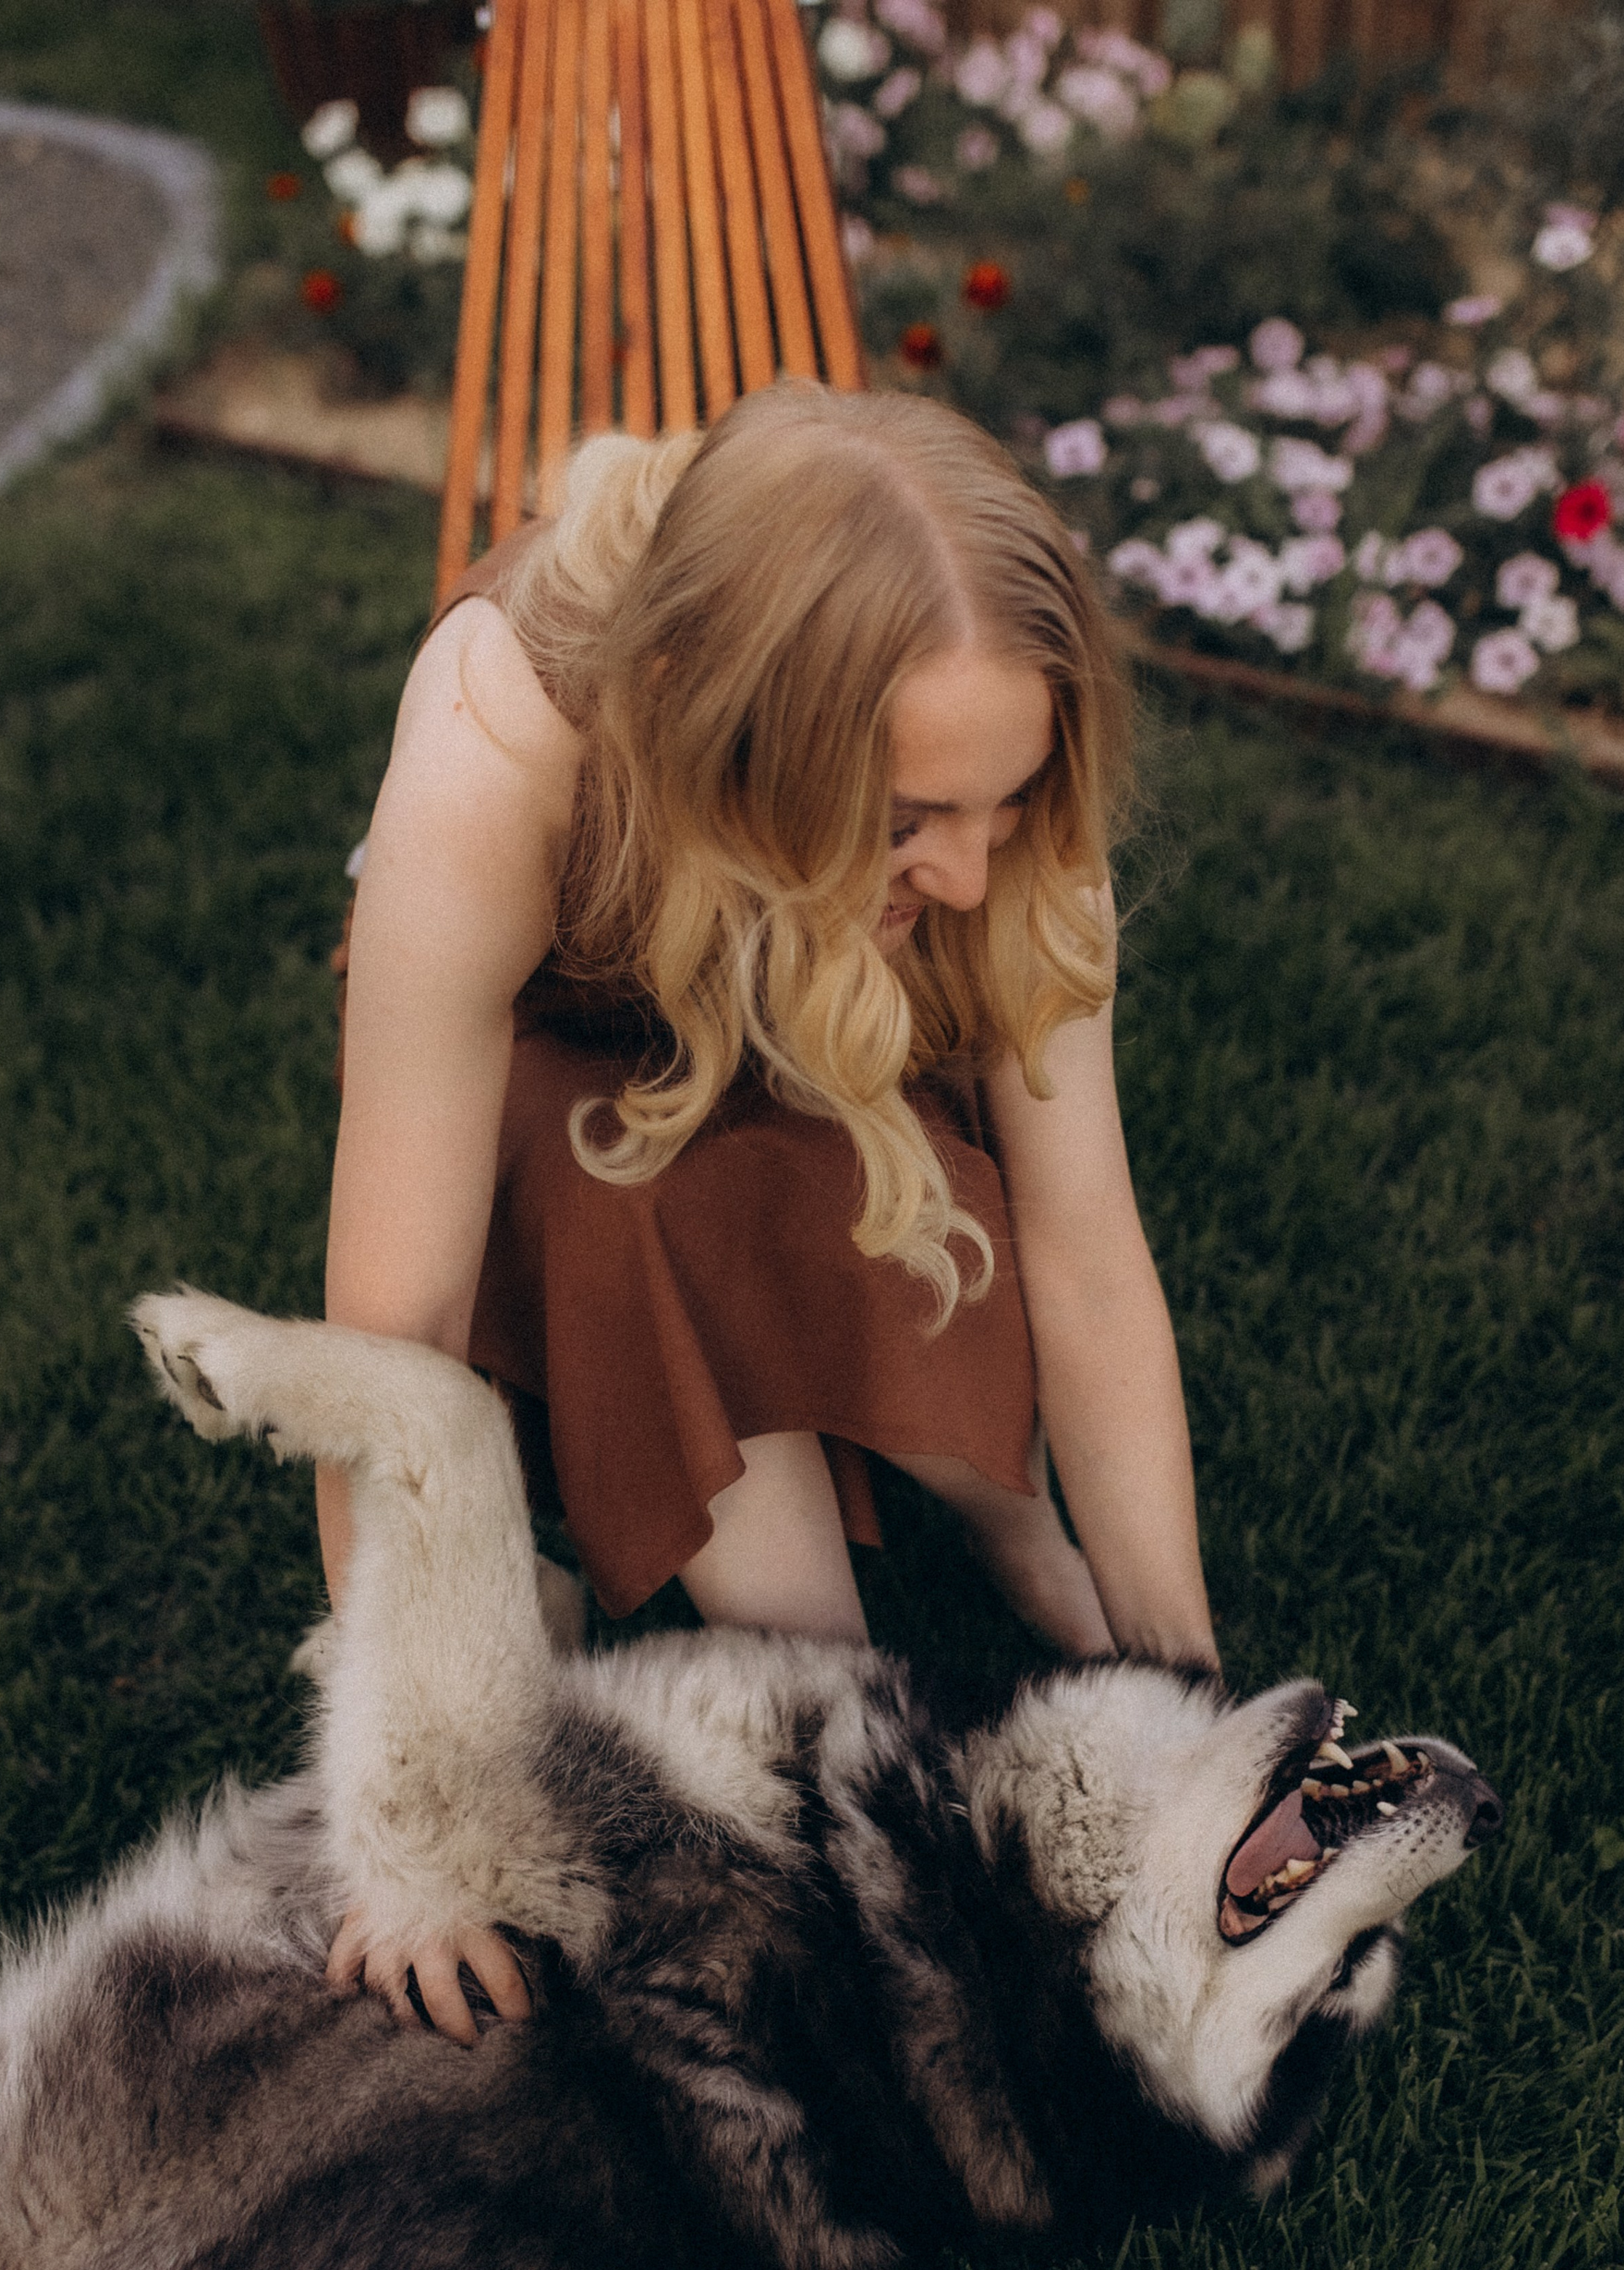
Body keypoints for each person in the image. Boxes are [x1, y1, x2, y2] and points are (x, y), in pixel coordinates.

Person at [321, 381, 1216, 2038]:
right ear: (736, 746)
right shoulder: (496, 745)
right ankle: (842, 1706)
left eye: (1006, 802)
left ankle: (1004, 1529)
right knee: (621, 1195)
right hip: (569, 1065)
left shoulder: (988, 801)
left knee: (850, 1143)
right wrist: (415, 1812)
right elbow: (392, 1340)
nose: (968, 868)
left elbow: (1085, 1257)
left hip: (808, 1007)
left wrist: (1189, 1694)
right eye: (907, 824)